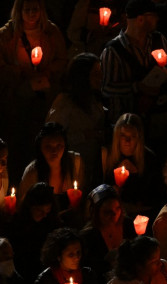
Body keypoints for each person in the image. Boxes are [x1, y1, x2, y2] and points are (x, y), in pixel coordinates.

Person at [0, 0, 68, 177]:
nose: (32, 14)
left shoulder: (51, 32)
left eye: (35, 9)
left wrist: (47, 72)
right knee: (19, 141)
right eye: (28, 10)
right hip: (17, 100)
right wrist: (21, 73)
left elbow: (62, 60)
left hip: (45, 98)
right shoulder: (6, 34)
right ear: (19, 11)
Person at [100, 0, 167, 131]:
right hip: (127, 123)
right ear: (141, 19)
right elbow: (106, 88)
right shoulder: (113, 50)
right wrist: (137, 87)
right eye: (153, 15)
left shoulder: (158, 39)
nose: (157, 19)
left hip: (159, 116)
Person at [47, 52, 105, 189]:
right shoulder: (64, 103)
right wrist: (85, 135)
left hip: (93, 169)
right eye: (95, 74)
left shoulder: (94, 100)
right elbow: (51, 138)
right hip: (72, 170)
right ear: (83, 77)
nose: (100, 78)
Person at [103, 113, 166, 219]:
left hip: (140, 215)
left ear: (139, 138)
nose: (127, 141)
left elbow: (156, 196)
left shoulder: (149, 158)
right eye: (123, 136)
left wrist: (136, 175)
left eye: (132, 136)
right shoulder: (106, 155)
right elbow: (97, 187)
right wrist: (112, 190)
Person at [32, 228, 101, 284]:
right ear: (59, 256)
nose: (77, 258)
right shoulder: (45, 281)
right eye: (71, 255)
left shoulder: (88, 275)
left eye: (78, 252)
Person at [18, 122, 84, 219]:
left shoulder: (75, 163)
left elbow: (83, 194)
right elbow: (21, 206)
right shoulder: (32, 172)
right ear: (40, 147)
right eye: (48, 146)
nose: (54, 151)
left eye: (59, 145)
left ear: (65, 145)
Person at [80, 184, 137, 284]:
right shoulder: (89, 236)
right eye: (107, 212)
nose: (114, 214)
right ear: (95, 212)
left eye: (117, 208)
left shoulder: (127, 225)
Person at [7, 182, 62, 284]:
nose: (44, 215)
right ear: (30, 206)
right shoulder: (17, 224)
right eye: (39, 211)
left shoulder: (52, 223)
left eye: (48, 210)